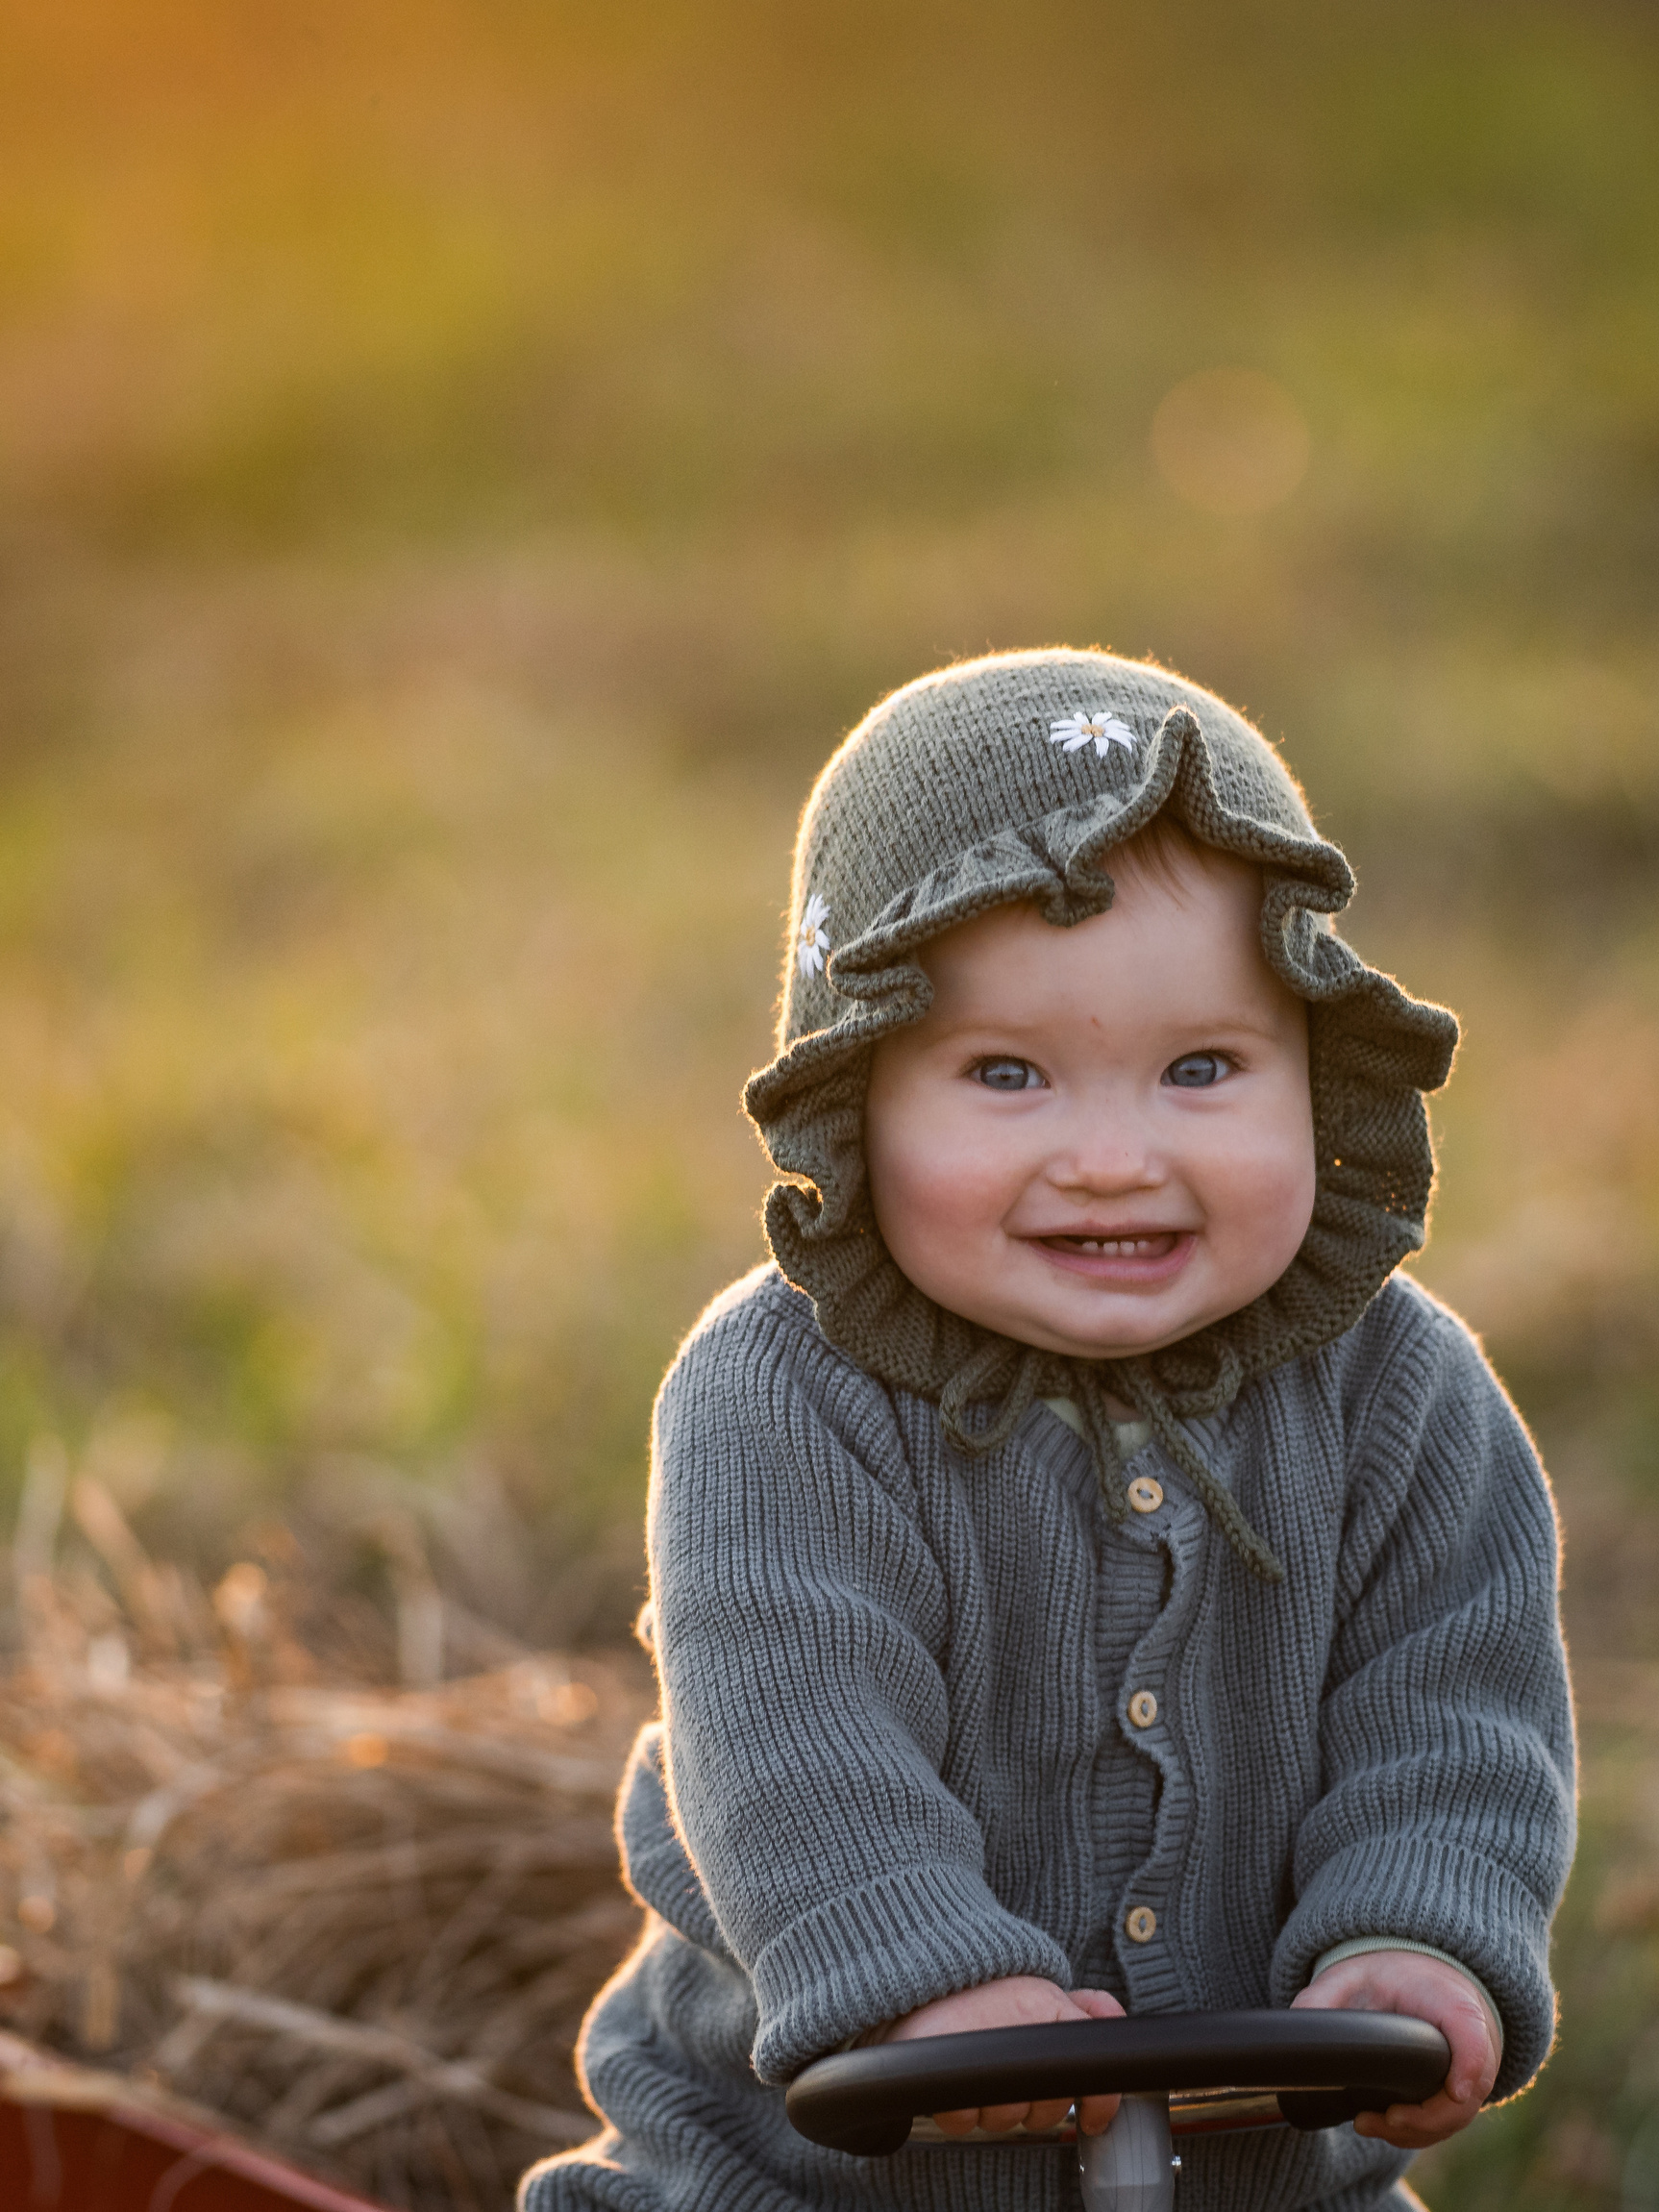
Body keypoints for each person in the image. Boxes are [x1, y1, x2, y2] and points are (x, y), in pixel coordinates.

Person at [523, 648, 1577, 2212]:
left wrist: (1412, 1938)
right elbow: (793, 1735)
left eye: (1202, 1068)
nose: (1110, 1157)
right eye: (1006, 1073)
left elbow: (1458, 1711)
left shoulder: (1402, 1394)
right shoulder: (778, 1397)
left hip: (1267, 2177)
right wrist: (928, 1981)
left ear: (1319, 1074)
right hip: (810, 2179)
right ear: (857, 1094)